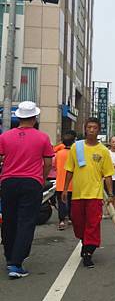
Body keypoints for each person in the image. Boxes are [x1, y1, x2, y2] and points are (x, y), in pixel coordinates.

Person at [0, 101, 54, 278]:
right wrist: (42, 178)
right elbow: (47, 163)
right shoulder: (43, 138)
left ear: (19, 117)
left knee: (9, 220)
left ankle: (9, 257)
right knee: (26, 221)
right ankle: (16, 263)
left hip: (8, 182)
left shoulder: (5, 137)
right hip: (31, 182)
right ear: (35, 117)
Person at [63, 117, 114, 268]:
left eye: (95, 128)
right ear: (85, 129)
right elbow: (69, 169)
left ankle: (88, 252)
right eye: (89, 127)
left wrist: (110, 194)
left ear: (99, 130)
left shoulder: (103, 151)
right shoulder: (76, 147)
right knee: (78, 223)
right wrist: (65, 189)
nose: (92, 130)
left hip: (95, 194)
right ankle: (85, 241)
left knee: (92, 224)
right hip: (78, 193)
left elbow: (108, 175)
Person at [55, 130, 77, 230]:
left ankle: (62, 221)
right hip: (72, 183)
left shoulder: (58, 154)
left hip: (60, 183)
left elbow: (55, 166)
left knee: (61, 202)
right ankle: (71, 219)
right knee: (71, 201)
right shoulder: (75, 154)